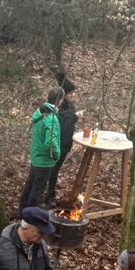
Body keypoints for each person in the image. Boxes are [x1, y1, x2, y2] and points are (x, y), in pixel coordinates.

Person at [19, 86, 64, 211]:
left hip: (36, 157)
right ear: (59, 101)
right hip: (44, 161)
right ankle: (28, 216)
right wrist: (56, 155)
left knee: (30, 185)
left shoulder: (40, 113)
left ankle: (22, 210)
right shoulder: (51, 118)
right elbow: (50, 142)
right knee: (37, 191)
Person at [45, 73, 83, 207]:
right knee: (52, 170)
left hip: (66, 143)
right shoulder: (57, 107)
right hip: (56, 143)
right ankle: (49, 195)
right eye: (70, 93)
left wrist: (74, 118)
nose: (73, 96)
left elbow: (69, 122)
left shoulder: (70, 106)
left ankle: (50, 192)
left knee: (55, 170)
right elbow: (61, 122)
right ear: (64, 94)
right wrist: (74, 117)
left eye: (74, 93)